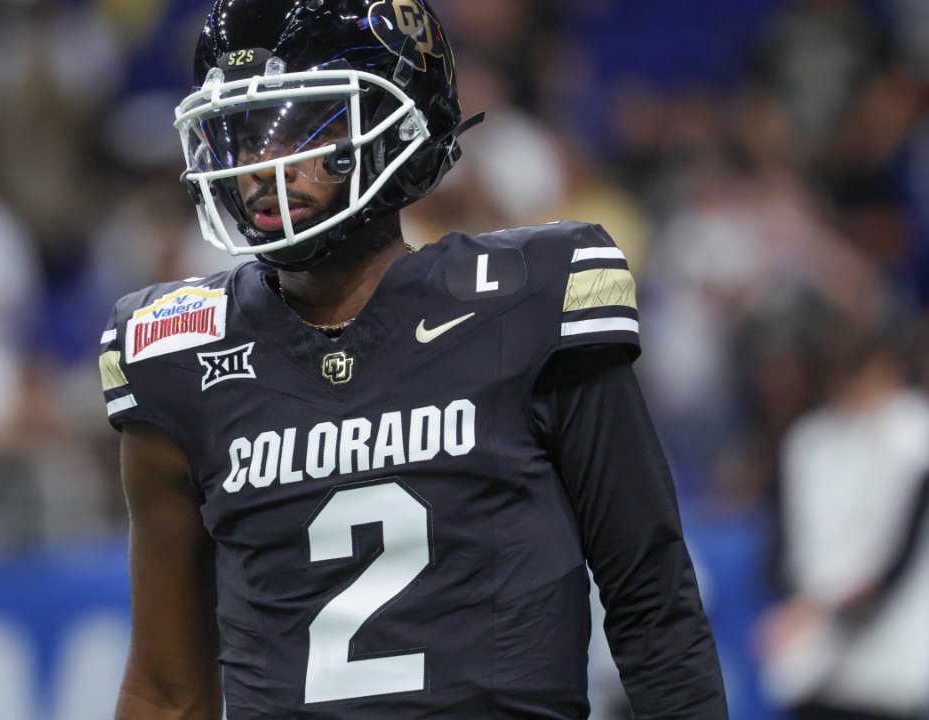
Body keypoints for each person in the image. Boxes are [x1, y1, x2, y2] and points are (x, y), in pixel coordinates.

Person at [101, 0, 727, 716]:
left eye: (301, 126)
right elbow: (167, 689)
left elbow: (652, 603)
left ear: (401, 121)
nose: (258, 167)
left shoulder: (527, 303)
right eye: (241, 135)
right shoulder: (178, 353)